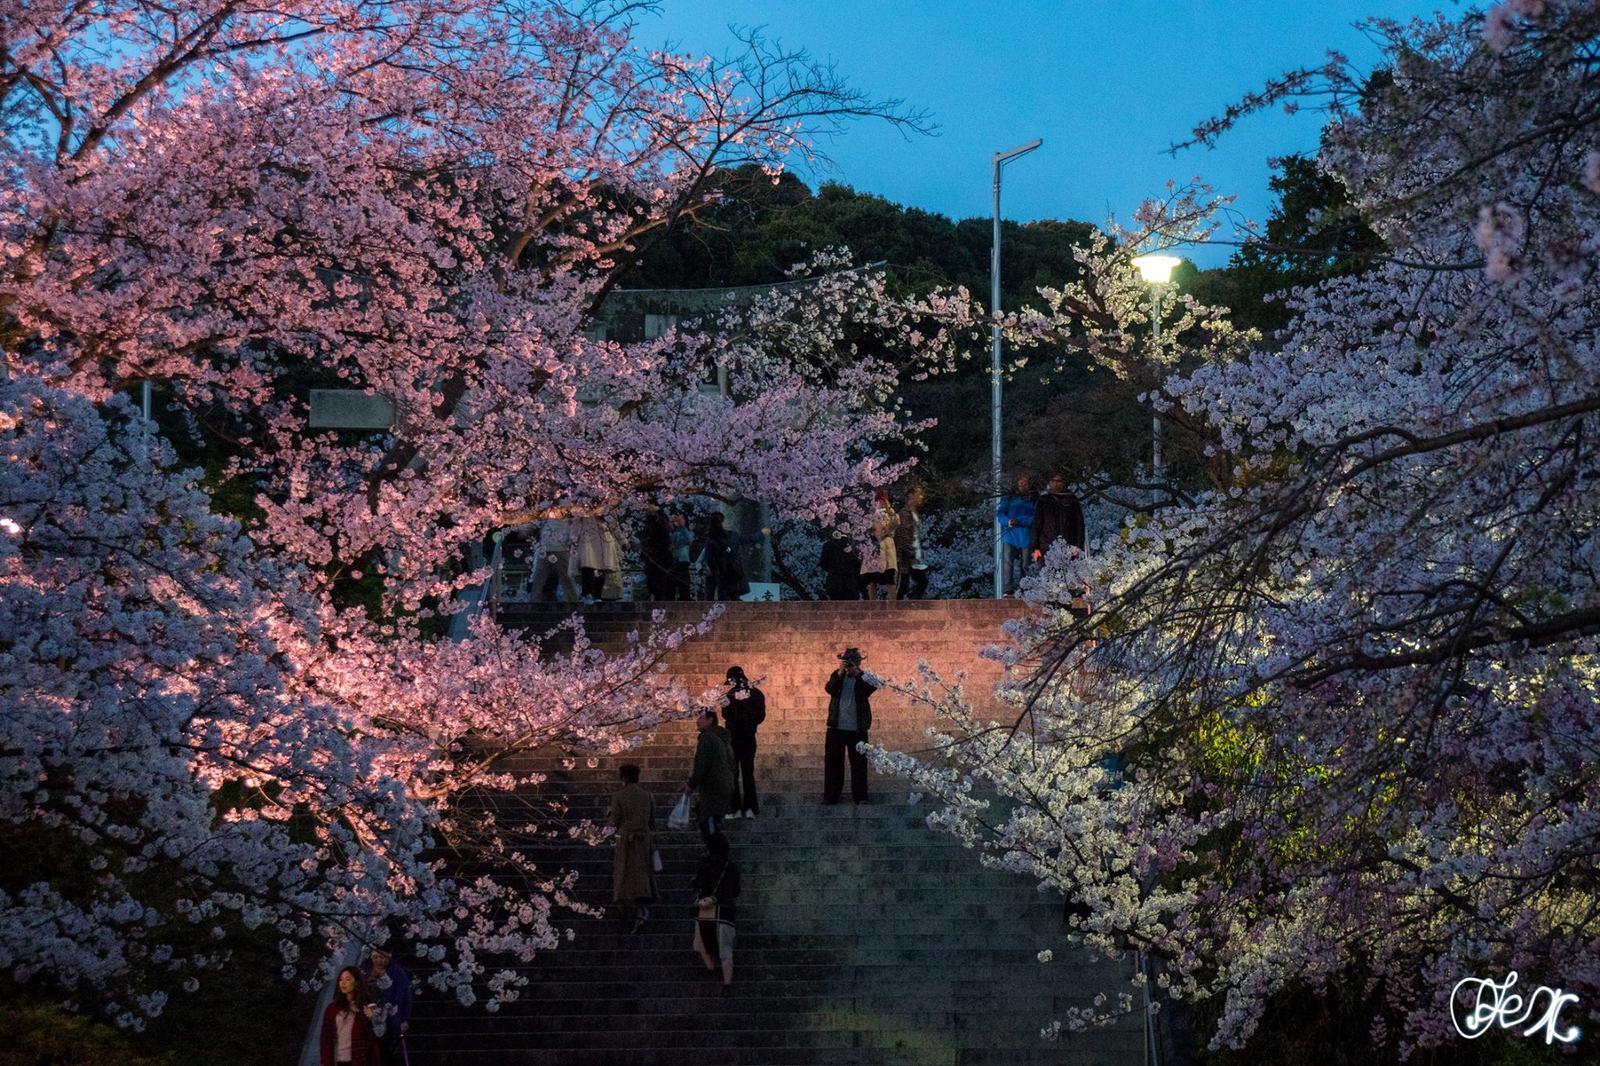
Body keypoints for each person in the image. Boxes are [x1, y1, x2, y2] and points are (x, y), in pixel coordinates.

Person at [690, 831, 741, 997]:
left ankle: (711, 968)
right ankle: (727, 984)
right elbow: (736, 891)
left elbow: (698, 884)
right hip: (725, 912)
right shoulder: (732, 867)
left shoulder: (704, 864)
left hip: (705, 911)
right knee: (726, 951)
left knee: (701, 944)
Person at [823, 646, 876, 805]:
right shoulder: (837, 675)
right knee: (833, 764)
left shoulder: (865, 677)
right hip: (836, 728)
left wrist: (857, 675)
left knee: (859, 765)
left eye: (852, 661)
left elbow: (869, 689)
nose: (849, 664)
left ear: (858, 662)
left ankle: (860, 796)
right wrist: (840, 673)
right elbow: (829, 688)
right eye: (847, 661)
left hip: (857, 729)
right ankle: (831, 796)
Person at [609, 762, 657, 933]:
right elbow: (652, 821)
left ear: (623, 777)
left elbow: (614, 820)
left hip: (626, 840)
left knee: (624, 874)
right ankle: (642, 911)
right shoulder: (647, 796)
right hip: (644, 840)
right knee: (642, 875)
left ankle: (627, 910)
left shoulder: (619, 796)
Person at [720, 666, 767, 820]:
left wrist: (740, 708)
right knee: (746, 774)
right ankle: (749, 808)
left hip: (738, 737)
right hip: (746, 737)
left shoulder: (735, 694)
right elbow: (760, 717)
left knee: (737, 773)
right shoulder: (754, 694)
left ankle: (737, 808)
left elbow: (726, 714)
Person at [687, 707, 736, 840]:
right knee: (712, 820)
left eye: (701, 717)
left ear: (710, 720)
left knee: (708, 822)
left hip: (713, 786)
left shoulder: (707, 738)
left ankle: (717, 853)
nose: (697, 721)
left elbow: (702, 764)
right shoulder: (722, 738)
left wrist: (691, 785)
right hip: (725, 785)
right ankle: (717, 852)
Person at [320, 966, 382, 1066]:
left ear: (356, 983)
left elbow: (377, 1034)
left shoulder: (366, 1006)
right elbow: (326, 1039)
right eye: (340, 979)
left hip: (360, 1060)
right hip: (337, 1060)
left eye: (347, 979)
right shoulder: (332, 1009)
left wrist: (373, 1018)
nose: (343, 983)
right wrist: (325, 1062)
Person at [361, 947, 412, 1066]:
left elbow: (406, 997)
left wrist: (404, 1019)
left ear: (390, 955)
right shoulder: (365, 971)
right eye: (375, 957)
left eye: (382, 957)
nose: (378, 960)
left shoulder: (397, 973)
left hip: (390, 1020)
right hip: (367, 1019)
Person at [698, 512, 766, 602]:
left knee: (716, 597)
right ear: (723, 522)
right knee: (733, 596)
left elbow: (708, 559)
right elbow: (748, 539)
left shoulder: (711, 540)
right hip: (731, 572)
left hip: (717, 573)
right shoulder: (732, 536)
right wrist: (762, 533)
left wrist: (706, 569)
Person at [1030, 473, 1086, 565]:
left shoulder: (1071, 500)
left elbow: (1080, 524)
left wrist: (1079, 545)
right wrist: (1035, 548)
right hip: (1046, 547)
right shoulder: (1044, 501)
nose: (1056, 483)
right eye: (1053, 481)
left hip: (1069, 546)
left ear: (1063, 483)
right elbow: (1037, 525)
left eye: (1058, 481)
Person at [998, 474, 1036, 595]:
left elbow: (1035, 518)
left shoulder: (1034, 500)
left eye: (1025, 483)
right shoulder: (1008, 498)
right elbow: (1000, 514)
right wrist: (1007, 521)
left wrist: (1019, 520)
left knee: (1026, 564)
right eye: (1021, 483)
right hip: (1009, 535)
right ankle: (1007, 590)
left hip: (1026, 535)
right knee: (1007, 561)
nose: (1023, 485)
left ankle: (1026, 589)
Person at [530, 511, 579, 603]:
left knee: (567, 577)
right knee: (538, 577)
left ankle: (573, 601)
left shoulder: (567, 508)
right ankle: (534, 601)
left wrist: (570, 540)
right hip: (544, 547)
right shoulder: (544, 509)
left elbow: (575, 525)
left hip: (561, 548)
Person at [570, 511, 618, 602]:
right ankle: (587, 593)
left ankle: (597, 595)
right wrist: (573, 538)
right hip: (587, 538)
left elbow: (613, 523)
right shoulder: (583, 504)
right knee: (588, 566)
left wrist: (622, 540)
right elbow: (576, 521)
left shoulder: (606, 506)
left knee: (601, 567)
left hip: (603, 539)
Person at [861, 490, 899, 601]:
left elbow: (895, 523)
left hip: (886, 546)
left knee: (889, 579)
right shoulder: (872, 513)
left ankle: (892, 608)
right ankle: (872, 607)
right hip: (873, 548)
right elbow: (865, 529)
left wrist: (888, 510)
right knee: (871, 581)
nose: (881, 503)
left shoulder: (891, 513)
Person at [895, 484, 930, 600]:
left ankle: (912, 600)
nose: (920, 497)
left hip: (915, 554)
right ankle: (898, 607)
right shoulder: (904, 514)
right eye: (917, 495)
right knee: (904, 584)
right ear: (910, 497)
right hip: (907, 555)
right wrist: (907, 551)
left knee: (919, 582)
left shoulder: (913, 513)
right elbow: (902, 535)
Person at [819, 529, 861, 600]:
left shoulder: (828, 545)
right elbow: (858, 565)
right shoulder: (855, 546)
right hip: (851, 583)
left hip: (834, 582)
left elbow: (823, 564)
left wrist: (832, 569)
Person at [668, 513, 695, 600]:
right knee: (670, 588)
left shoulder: (689, 532)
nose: (679, 520)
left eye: (682, 518)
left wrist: (682, 527)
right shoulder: (672, 533)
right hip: (671, 562)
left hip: (683, 561)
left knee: (684, 587)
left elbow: (689, 540)